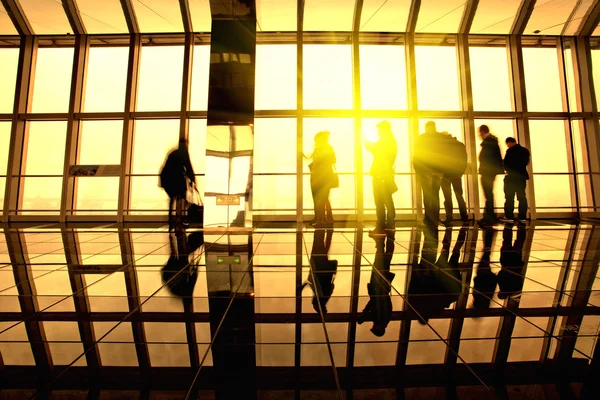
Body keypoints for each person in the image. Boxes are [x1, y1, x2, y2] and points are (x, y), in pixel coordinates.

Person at [413, 121, 449, 230]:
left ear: (426, 128)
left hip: (426, 172)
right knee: (435, 195)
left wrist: (418, 170)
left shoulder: (422, 138)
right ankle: (435, 218)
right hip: (438, 172)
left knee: (428, 196)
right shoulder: (441, 138)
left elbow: (417, 155)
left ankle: (428, 219)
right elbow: (445, 155)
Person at [357, 235, 395, 337]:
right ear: (379, 329)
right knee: (380, 260)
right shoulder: (381, 318)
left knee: (385, 260)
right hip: (378, 286)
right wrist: (363, 315)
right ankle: (382, 240)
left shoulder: (384, 319)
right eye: (374, 328)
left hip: (380, 287)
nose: (373, 326)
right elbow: (375, 302)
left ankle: (385, 239)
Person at [365, 121, 398, 236]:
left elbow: (375, 150)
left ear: (383, 129)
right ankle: (390, 224)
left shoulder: (385, 140)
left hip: (380, 174)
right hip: (386, 173)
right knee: (388, 200)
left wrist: (366, 142)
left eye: (379, 129)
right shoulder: (391, 140)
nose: (377, 132)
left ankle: (381, 227)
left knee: (379, 201)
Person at [160, 138, 196, 232]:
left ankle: (171, 220)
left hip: (168, 179)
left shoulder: (173, 153)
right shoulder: (183, 153)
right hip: (176, 179)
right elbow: (188, 167)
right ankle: (180, 219)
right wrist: (192, 180)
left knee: (172, 199)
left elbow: (166, 166)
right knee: (182, 198)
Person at [306, 131, 337, 228]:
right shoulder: (319, 149)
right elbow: (311, 158)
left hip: (322, 177)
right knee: (321, 198)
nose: (315, 141)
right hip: (318, 176)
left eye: (317, 139)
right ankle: (324, 218)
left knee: (321, 198)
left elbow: (332, 160)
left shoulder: (326, 148)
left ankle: (321, 220)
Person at [303, 228, 337, 313]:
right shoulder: (320, 295)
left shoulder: (325, 296)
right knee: (318, 242)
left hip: (323, 267)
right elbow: (312, 281)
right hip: (318, 265)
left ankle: (329, 228)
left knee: (325, 248)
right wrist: (302, 287)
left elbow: (332, 286)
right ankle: (321, 226)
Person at [477, 125, 504, 226]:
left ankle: (489, 217)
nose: (479, 135)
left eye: (479, 133)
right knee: (489, 194)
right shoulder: (492, 142)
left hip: (487, 172)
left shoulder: (488, 143)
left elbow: (485, 158)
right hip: (491, 171)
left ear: (483, 132)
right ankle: (489, 216)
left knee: (488, 194)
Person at [440, 132, 469, 225]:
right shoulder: (460, 145)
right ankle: (464, 217)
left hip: (445, 174)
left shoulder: (443, 147)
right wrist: (460, 172)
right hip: (456, 174)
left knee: (447, 197)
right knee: (459, 196)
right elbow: (464, 159)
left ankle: (449, 217)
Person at [503, 137, 530, 224]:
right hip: (521, 177)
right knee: (522, 197)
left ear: (509, 143)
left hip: (511, 177)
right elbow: (526, 162)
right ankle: (522, 216)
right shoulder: (525, 151)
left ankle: (509, 216)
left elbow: (506, 164)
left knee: (509, 197)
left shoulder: (510, 151)